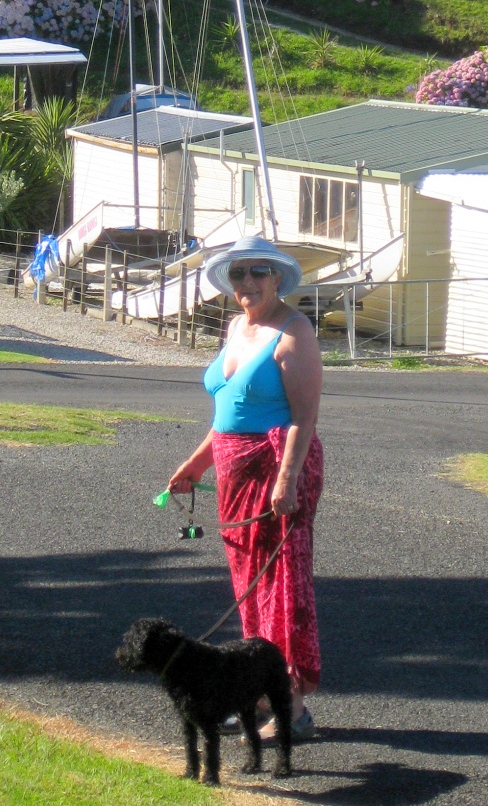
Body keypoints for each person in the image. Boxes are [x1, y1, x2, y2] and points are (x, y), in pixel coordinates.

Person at [169, 234, 323, 740]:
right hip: (234, 477)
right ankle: (259, 697)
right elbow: (226, 416)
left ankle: (292, 707)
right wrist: (195, 466)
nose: (248, 282)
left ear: (278, 277)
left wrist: (288, 479)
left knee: (282, 587)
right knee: (248, 589)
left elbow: (304, 418)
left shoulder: (295, 332)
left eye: (259, 272)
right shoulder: (237, 326)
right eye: (239, 274)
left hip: (278, 469)